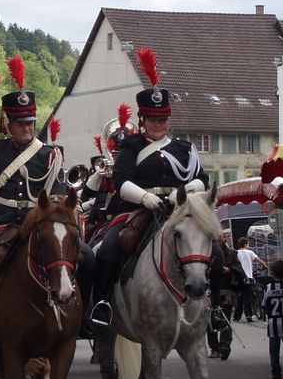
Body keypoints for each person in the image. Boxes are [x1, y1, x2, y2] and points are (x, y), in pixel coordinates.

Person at [0, 57, 95, 350]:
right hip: (1, 223)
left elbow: (58, 194)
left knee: (88, 257)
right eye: (19, 123)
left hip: (40, 223)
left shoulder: (50, 155)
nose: (26, 128)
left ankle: (85, 316)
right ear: (8, 123)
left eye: (29, 122)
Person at [90, 48, 209, 326]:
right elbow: (120, 181)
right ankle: (104, 303)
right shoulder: (131, 145)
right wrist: (145, 198)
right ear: (142, 120)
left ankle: (212, 310)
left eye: (163, 119)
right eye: (154, 119)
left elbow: (202, 178)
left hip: (179, 209)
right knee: (108, 249)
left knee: (212, 248)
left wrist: (186, 190)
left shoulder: (184, 148)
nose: (159, 124)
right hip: (137, 208)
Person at [206, 236, 233, 360]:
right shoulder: (206, 250)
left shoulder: (232, 253)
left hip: (226, 290)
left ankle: (225, 346)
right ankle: (214, 347)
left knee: (225, 318)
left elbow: (238, 269)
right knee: (210, 318)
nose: (218, 238)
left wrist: (230, 269)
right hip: (210, 292)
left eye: (220, 236)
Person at [233, 236, 266, 323]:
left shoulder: (236, 252)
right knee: (248, 297)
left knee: (239, 298)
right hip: (249, 278)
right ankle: (248, 315)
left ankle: (237, 317)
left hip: (239, 277)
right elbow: (259, 260)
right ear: (245, 244)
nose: (249, 246)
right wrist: (265, 266)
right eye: (248, 244)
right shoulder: (250, 252)